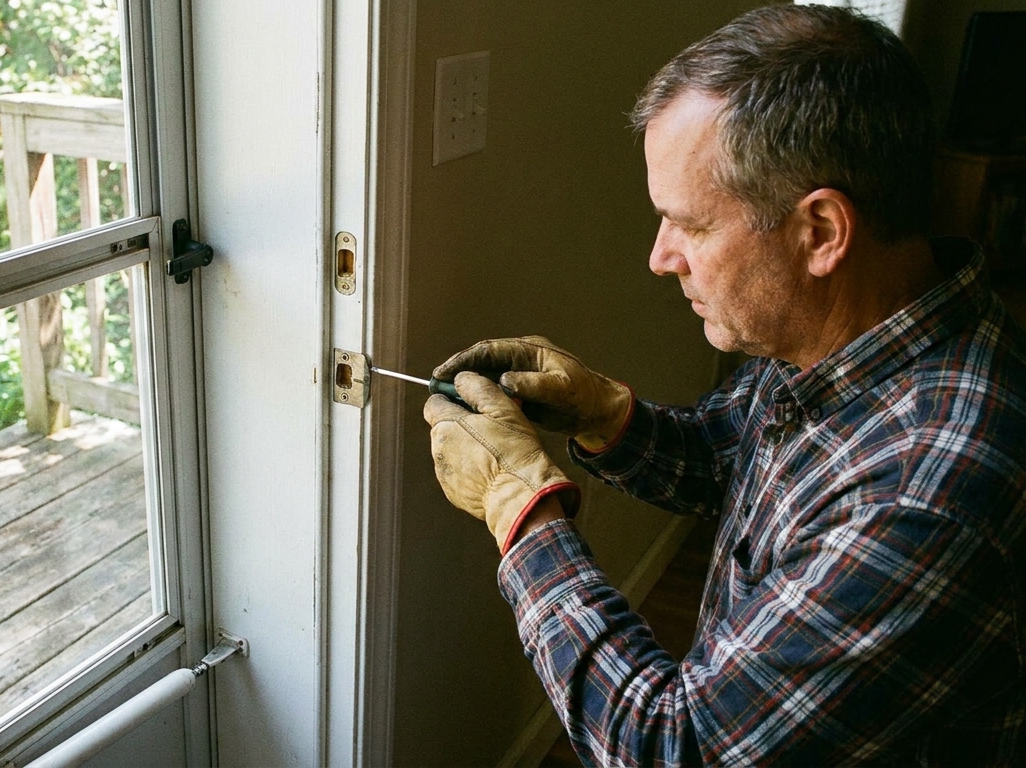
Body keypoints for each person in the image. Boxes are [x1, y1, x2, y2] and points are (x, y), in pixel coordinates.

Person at [424, 5, 1026, 765]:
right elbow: (735, 458)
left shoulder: (926, 493)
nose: (660, 257)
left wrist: (521, 507)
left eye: (692, 226)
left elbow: (676, 746)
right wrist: (607, 414)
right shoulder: (847, 329)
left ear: (821, 233)